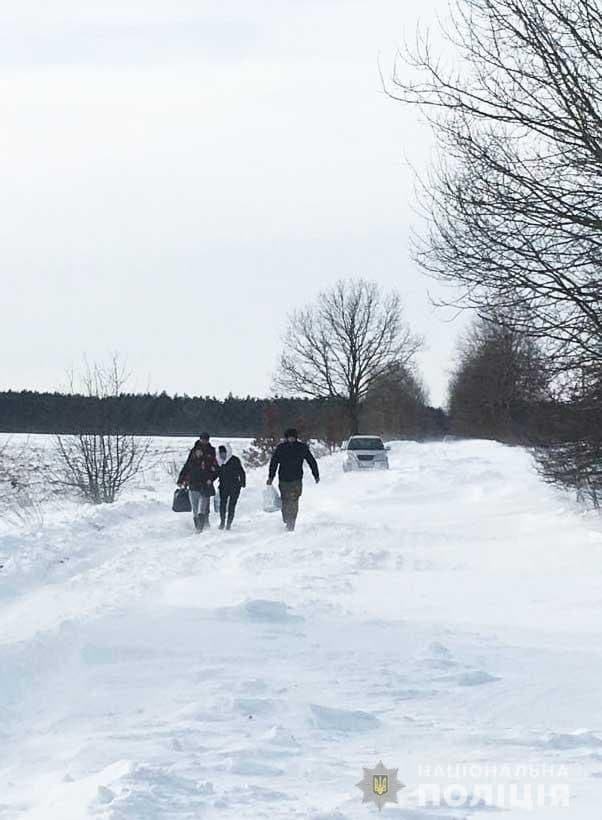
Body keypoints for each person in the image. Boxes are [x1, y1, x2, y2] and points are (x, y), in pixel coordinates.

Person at [267, 428, 319, 531]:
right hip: (284, 479)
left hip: (296, 479)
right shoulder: (281, 448)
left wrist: (316, 474)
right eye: (289, 437)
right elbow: (274, 463)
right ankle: (286, 518)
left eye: (293, 437)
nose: (291, 439)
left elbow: (311, 461)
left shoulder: (302, 448)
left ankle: (292, 522)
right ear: (286, 438)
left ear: (296, 437)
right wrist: (271, 477)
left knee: (294, 501)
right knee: (285, 501)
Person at [177, 442, 218, 532]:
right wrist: (180, 480)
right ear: (194, 452)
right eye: (197, 452)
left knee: (202, 509)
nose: (199, 453)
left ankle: (201, 528)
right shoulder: (191, 461)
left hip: (204, 488)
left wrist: (210, 480)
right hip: (193, 487)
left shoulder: (207, 462)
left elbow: (214, 471)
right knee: (195, 510)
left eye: (200, 452)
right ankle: (197, 527)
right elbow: (185, 469)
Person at [216, 443, 246, 530]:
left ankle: (229, 523)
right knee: (222, 505)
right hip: (223, 486)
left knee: (232, 506)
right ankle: (222, 522)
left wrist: (243, 483)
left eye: (224, 453)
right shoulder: (219, 462)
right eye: (221, 453)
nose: (222, 455)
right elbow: (216, 473)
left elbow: (241, 472)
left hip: (235, 486)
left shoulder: (234, 460)